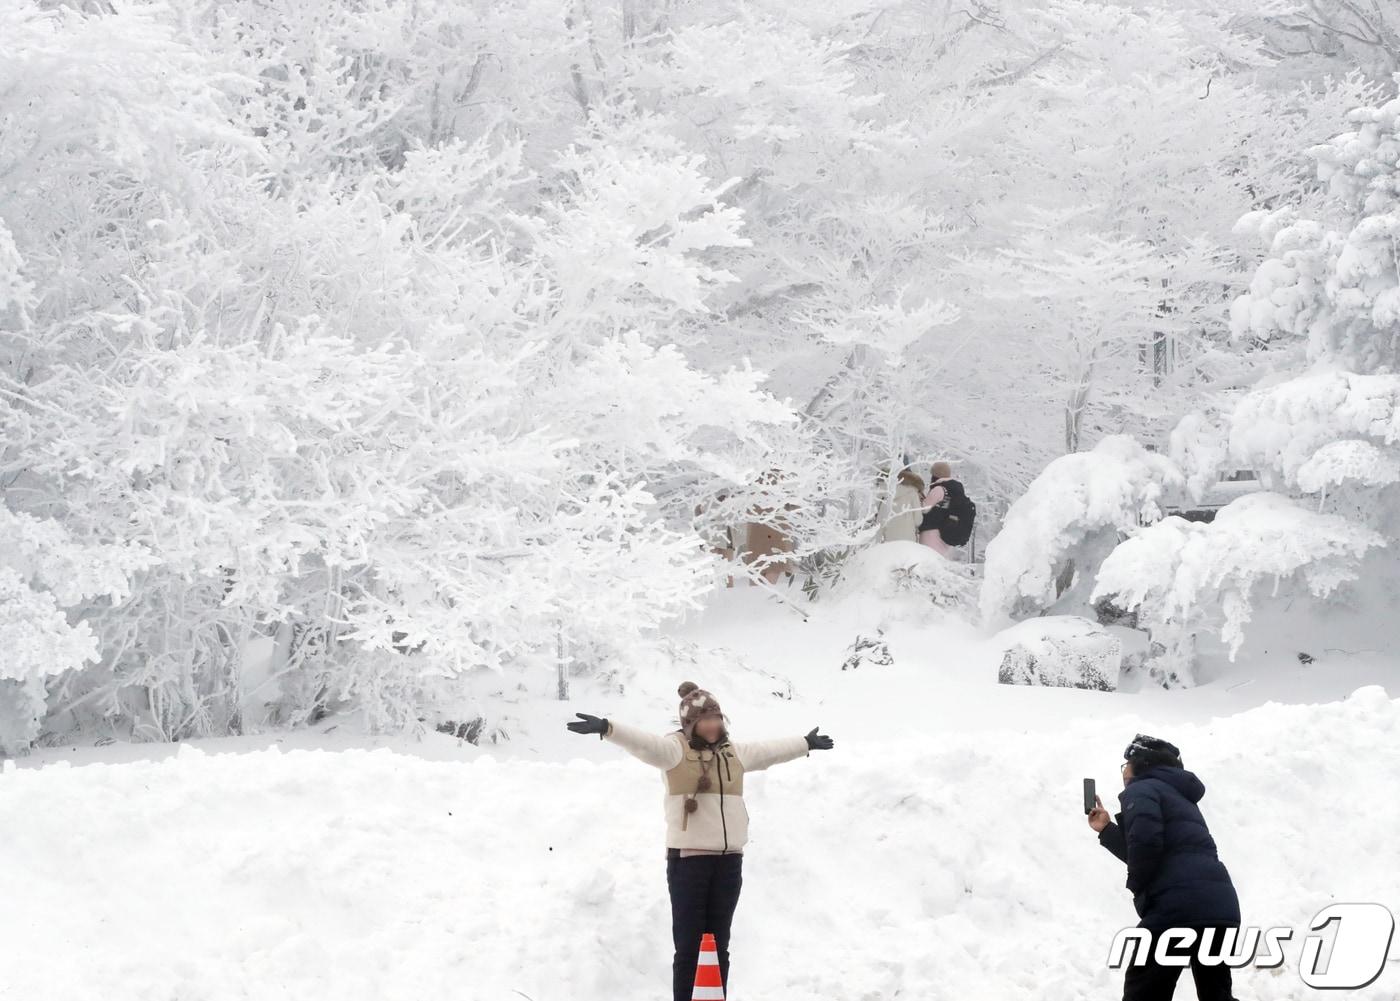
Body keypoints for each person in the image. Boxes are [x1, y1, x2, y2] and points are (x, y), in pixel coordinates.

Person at [567, 682, 835, 1001]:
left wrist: (805, 742)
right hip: (689, 862)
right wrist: (608, 728)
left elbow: (769, 751)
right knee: (690, 946)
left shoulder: (733, 753)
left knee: (719, 943)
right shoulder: (675, 750)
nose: (712, 725)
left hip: (728, 862)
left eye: (716, 718)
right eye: (704, 720)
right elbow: (644, 744)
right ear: (690, 724)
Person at [1087, 734, 1241, 1001]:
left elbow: (1146, 845)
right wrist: (1107, 830)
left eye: (1126, 765)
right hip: (1220, 908)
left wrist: (1139, 889)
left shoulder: (1141, 789)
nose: (1124, 772)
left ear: (1142, 763)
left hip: (1178, 908)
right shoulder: (1180, 796)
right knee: (1216, 996)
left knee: (1144, 991)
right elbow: (1154, 849)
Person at [918, 461, 976, 557]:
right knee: (938, 561)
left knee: (928, 560)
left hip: (931, 533)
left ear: (935, 475)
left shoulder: (939, 489)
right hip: (944, 534)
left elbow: (924, 508)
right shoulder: (953, 490)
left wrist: (918, 497)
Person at [878, 466, 926, 543]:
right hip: (907, 538)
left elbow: (880, 518)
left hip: (888, 538)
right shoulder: (912, 492)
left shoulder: (885, 492)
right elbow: (918, 520)